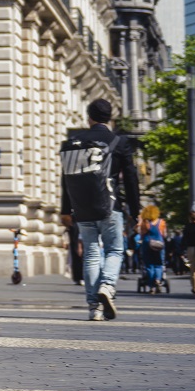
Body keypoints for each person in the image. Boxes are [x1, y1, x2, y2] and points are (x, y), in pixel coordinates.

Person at [60, 98, 140, 321]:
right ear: (110, 118)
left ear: (89, 117)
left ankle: (94, 307)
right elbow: (131, 179)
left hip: (82, 208)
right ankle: (107, 285)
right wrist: (136, 211)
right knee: (115, 250)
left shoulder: (75, 141)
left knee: (91, 254)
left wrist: (66, 209)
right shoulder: (119, 142)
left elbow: (66, 178)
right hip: (110, 205)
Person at [136, 205, 168, 294]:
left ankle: (151, 286)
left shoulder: (145, 223)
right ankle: (158, 280)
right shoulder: (161, 222)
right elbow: (164, 235)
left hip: (147, 244)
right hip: (159, 244)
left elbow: (141, 234)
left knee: (149, 265)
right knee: (158, 264)